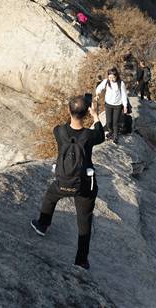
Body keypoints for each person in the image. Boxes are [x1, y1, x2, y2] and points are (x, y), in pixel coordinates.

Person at [31, 95, 105, 270]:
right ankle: (81, 261)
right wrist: (95, 115)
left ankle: (42, 224)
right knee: (84, 221)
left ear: (69, 111)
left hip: (62, 182)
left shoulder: (59, 132)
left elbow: (67, 127)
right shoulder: (89, 135)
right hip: (84, 186)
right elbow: (101, 135)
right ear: (86, 113)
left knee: (50, 197)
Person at [95, 67, 131, 143]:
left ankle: (115, 136)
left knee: (115, 122)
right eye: (110, 77)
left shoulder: (121, 83)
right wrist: (97, 94)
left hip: (117, 105)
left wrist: (125, 106)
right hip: (108, 104)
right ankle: (110, 132)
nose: (111, 79)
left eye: (113, 77)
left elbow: (124, 95)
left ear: (116, 76)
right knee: (109, 122)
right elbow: (99, 88)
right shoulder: (106, 81)